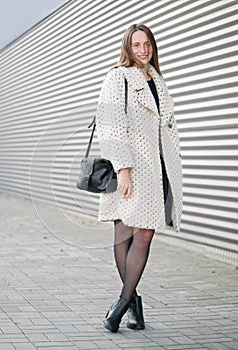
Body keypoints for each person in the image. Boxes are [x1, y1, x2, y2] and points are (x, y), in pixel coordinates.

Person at [96, 23, 182, 333]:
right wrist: (123, 169)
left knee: (144, 234)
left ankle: (122, 303)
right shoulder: (118, 76)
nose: (143, 49)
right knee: (124, 234)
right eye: (136, 45)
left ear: (153, 46)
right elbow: (112, 124)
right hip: (131, 168)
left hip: (158, 169)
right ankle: (129, 305)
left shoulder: (157, 80)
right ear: (128, 47)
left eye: (147, 44)